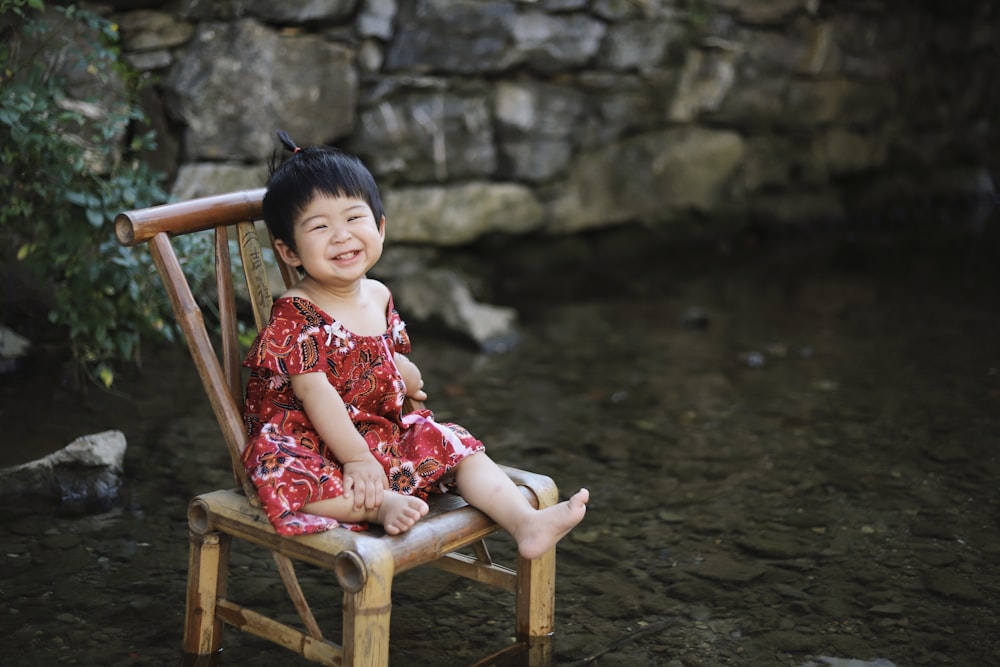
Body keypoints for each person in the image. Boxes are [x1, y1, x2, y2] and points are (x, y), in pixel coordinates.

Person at [240, 131, 589, 559]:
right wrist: (356, 460)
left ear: (380, 227)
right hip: (309, 439)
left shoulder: (379, 294)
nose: (341, 236)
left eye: (354, 218)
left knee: (452, 443)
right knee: (283, 473)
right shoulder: (297, 311)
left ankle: (525, 522)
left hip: (373, 431)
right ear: (289, 252)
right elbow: (315, 392)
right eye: (319, 226)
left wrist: (399, 369)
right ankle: (379, 504)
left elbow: (374, 352)